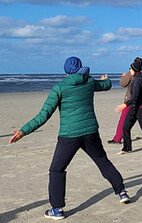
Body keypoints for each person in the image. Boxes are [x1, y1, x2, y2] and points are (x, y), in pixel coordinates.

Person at [9, 57, 129, 220]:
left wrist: (23, 131)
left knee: (57, 170)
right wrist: (106, 80)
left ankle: (57, 209)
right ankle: (121, 191)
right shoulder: (89, 82)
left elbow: (44, 115)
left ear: (66, 70)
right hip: (90, 132)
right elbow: (106, 85)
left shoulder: (60, 87)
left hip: (70, 135)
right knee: (102, 160)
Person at [108, 57, 142, 144]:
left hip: (130, 100)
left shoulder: (131, 73)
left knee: (124, 120)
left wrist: (122, 77)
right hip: (141, 101)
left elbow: (123, 84)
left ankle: (117, 139)